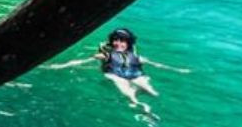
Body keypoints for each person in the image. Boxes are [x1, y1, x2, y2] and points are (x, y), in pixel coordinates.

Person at [49, 27, 182, 110]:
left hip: (136, 76)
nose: (118, 43)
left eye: (122, 41)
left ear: (128, 43)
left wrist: (177, 70)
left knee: (152, 92)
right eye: (116, 40)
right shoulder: (105, 55)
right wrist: (61, 66)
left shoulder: (135, 56)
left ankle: (151, 106)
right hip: (116, 76)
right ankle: (145, 110)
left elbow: (156, 64)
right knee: (130, 96)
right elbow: (81, 61)